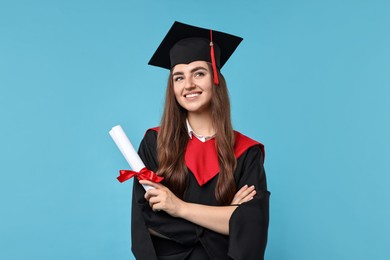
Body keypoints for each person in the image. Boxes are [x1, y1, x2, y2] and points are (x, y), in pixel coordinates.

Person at [130, 21, 270, 260]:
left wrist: (179, 208)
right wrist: (226, 218)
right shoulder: (155, 143)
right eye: (179, 77)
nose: (189, 85)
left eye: (199, 73)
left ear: (216, 79)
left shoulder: (247, 152)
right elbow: (148, 223)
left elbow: (251, 232)